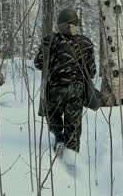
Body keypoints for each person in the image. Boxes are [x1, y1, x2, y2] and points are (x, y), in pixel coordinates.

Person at [34, 8, 96, 153]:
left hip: (54, 89)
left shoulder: (50, 41)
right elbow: (92, 71)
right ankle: (73, 155)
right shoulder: (85, 43)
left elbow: (38, 64)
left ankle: (59, 137)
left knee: (53, 115)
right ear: (76, 23)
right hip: (76, 90)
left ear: (59, 23)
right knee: (73, 125)